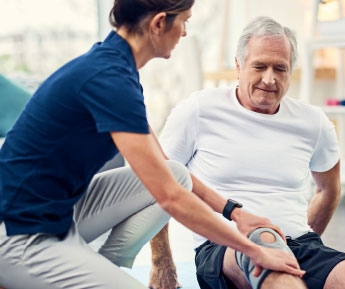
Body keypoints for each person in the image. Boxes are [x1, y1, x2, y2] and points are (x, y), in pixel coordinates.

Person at [0, 2, 303, 288]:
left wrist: (235, 213)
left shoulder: (117, 68)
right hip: (18, 231)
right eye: (183, 21)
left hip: (59, 213)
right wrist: (252, 250)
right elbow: (169, 198)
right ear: (160, 23)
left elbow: (165, 169)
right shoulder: (109, 81)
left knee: (176, 172)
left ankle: (103, 266)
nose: (184, 32)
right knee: (171, 185)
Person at [159, 16, 345, 289]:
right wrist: (162, 262)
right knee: (279, 275)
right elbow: (158, 180)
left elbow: (327, 190)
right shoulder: (199, 110)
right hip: (224, 248)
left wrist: (297, 240)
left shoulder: (314, 122)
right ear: (238, 66)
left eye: (280, 69)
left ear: (291, 71)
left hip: (298, 243)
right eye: (259, 66)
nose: (270, 79)